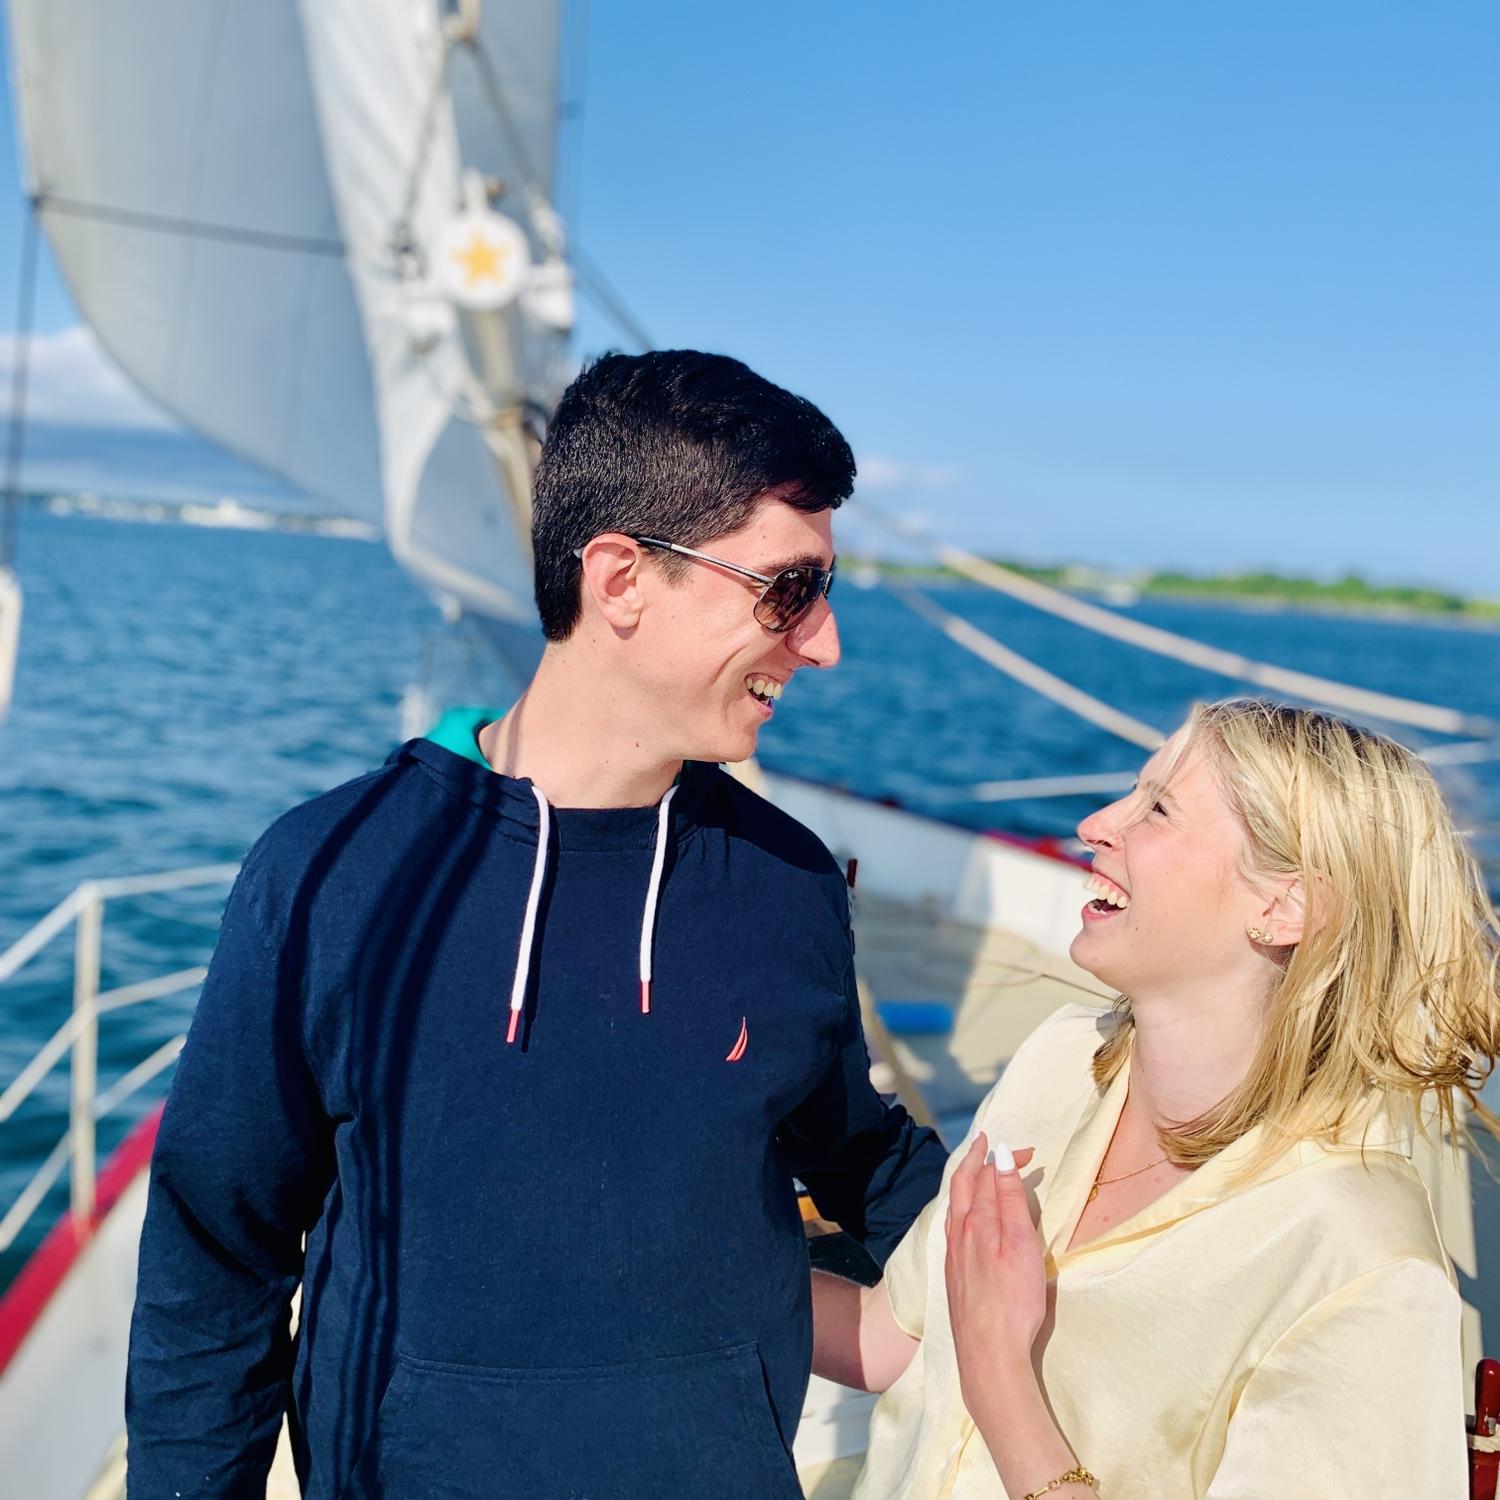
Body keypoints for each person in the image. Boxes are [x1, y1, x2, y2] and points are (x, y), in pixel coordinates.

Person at [125, 350, 948, 1499]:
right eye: (788, 590)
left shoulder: (787, 881)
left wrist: (1108, 1249)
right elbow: (217, 1261)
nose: (824, 643)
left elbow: (857, 1154)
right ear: (621, 580)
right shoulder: (329, 875)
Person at [813, 698, 1494, 1498]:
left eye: (1159, 808)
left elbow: (974, 1358)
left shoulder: (1361, 1261)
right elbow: (890, 1337)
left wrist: (999, 1376)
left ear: (1286, 907)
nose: (1095, 824)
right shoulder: (1061, 1061)